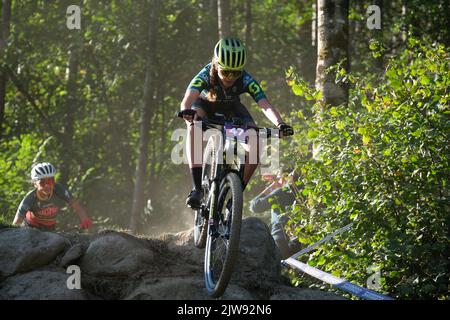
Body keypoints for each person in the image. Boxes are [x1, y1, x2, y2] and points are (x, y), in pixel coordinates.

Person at [179, 37, 294, 208]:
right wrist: (187, 112)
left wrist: (280, 123)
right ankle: (197, 189)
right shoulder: (204, 74)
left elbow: (264, 104)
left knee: (256, 141)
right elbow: (187, 100)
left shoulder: (246, 79)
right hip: (205, 107)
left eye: (236, 73)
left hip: (232, 110)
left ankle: (236, 196)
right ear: (216, 65)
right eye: (226, 72)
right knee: (194, 127)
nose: (231, 77)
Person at [12, 162, 93, 231]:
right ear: (34, 183)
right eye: (42, 182)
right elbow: (16, 223)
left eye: (51, 180)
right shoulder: (29, 199)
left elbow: (76, 205)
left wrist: (84, 218)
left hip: (51, 228)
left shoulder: (59, 190)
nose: (47, 185)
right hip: (30, 228)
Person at [249, 170, 302, 259]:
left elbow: (255, 206)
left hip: (281, 239)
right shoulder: (304, 189)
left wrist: (271, 188)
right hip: (300, 238)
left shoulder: (281, 192)